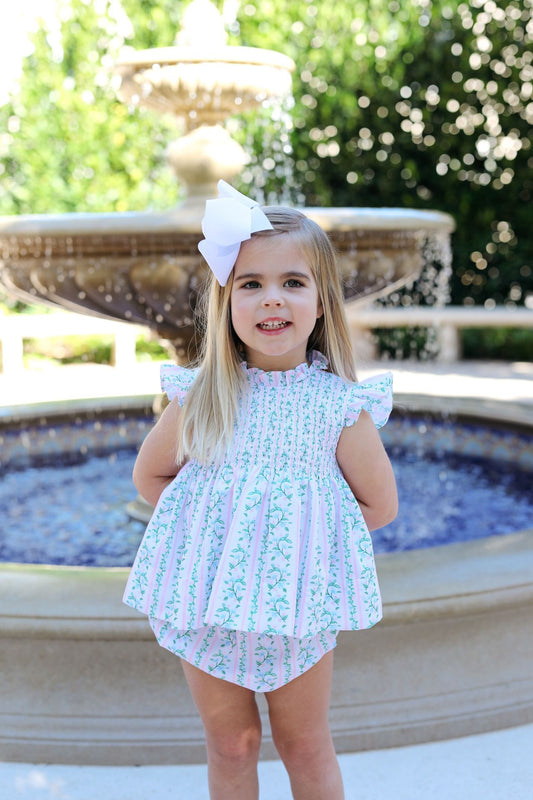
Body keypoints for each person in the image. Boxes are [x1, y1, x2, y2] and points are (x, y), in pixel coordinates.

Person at [123, 180, 398, 800]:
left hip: (296, 608)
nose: (271, 298)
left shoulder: (336, 407)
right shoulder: (202, 397)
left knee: (304, 745)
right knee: (232, 744)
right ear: (227, 302)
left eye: (292, 283)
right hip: (207, 598)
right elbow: (150, 477)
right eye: (251, 284)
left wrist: (303, 535)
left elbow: (380, 505)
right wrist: (211, 528)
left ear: (323, 302)